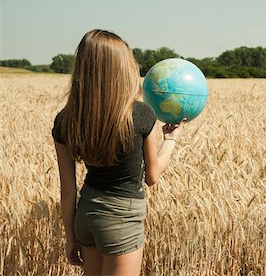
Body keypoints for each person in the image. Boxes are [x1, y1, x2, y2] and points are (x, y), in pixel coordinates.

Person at [52, 29, 185, 276]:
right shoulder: (141, 114)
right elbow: (152, 176)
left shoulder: (66, 119)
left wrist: (70, 238)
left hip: (86, 217)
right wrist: (171, 139)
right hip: (121, 219)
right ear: (122, 68)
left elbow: (68, 190)